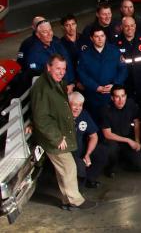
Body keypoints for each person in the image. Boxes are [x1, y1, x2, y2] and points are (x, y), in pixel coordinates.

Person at [31, 54, 96, 210]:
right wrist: (57, 138)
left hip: (59, 132)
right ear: (48, 67)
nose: (61, 72)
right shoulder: (42, 89)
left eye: (64, 69)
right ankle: (76, 200)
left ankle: (66, 200)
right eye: (57, 68)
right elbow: (41, 119)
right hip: (52, 137)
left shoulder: (55, 82)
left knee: (63, 170)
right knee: (69, 167)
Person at [78, 26, 128, 120]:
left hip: (113, 95)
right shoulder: (85, 55)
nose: (100, 39)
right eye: (97, 36)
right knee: (98, 123)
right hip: (94, 97)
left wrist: (115, 84)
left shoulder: (114, 50)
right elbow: (82, 75)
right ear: (91, 38)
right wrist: (96, 87)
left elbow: (123, 69)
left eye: (102, 36)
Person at [101, 86, 141, 175]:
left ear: (126, 96)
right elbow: (107, 134)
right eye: (117, 97)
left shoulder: (131, 104)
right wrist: (129, 140)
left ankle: (121, 162)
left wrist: (137, 140)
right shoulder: (105, 110)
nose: (121, 100)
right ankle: (111, 166)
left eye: (123, 96)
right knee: (111, 148)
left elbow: (136, 121)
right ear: (112, 98)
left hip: (127, 140)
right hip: (113, 141)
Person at [21, 19, 76, 89]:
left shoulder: (57, 43)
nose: (49, 34)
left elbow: (68, 62)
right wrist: (62, 87)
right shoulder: (33, 52)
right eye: (45, 32)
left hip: (68, 85)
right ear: (38, 35)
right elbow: (38, 76)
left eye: (50, 30)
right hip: (52, 90)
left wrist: (71, 83)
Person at [69, 92, 109, 189]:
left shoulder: (84, 114)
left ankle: (90, 179)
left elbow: (93, 136)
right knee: (80, 167)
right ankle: (78, 191)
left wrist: (88, 154)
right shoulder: (62, 116)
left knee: (102, 151)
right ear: (68, 104)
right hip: (68, 153)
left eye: (80, 105)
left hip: (81, 150)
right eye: (74, 105)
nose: (77, 108)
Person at [115, 16, 141, 102]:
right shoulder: (116, 43)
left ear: (135, 26)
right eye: (126, 26)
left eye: (132, 25)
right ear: (122, 27)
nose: (129, 28)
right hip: (127, 85)